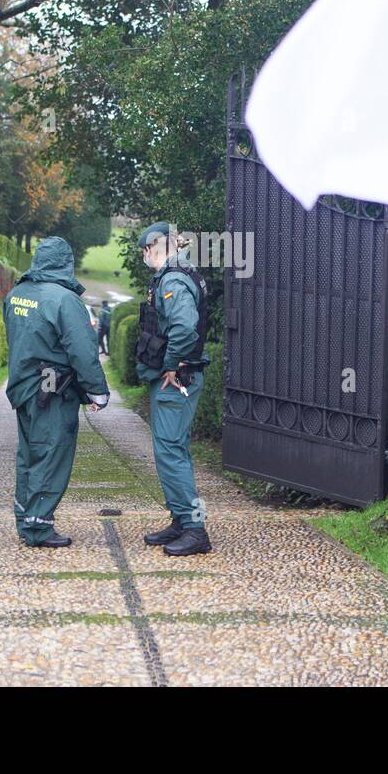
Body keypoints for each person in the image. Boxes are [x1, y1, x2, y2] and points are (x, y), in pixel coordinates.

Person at [3, 236, 109, 548]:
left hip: (23, 387)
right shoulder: (64, 300)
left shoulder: (17, 293)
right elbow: (82, 350)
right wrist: (97, 391)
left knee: (29, 454)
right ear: (65, 262)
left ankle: (25, 520)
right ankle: (39, 527)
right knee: (51, 454)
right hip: (52, 390)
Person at [135, 221, 212, 556]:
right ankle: (182, 520)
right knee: (172, 450)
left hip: (177, 378)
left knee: (171, 452)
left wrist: (170, 363)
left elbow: (184, 326)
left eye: (145, 249)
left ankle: (195, 530)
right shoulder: (181, 272)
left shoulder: (175, 277)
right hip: (179, 376)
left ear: (157, 245)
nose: (144, 256)